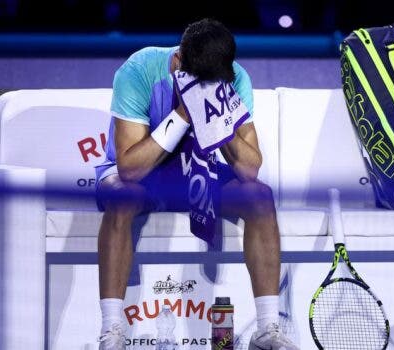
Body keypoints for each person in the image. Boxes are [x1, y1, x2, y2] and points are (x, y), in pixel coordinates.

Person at [94, 18, 299, 350]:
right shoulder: (139, 70)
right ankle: (112, 330)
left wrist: (219, 117)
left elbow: (250, 169)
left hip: (200, 176)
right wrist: (185, 114)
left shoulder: (236, 79)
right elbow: (129, 168)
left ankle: (267, 329)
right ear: (178, 62)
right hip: (144, 178)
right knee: (122, 195)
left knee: (259, 197)